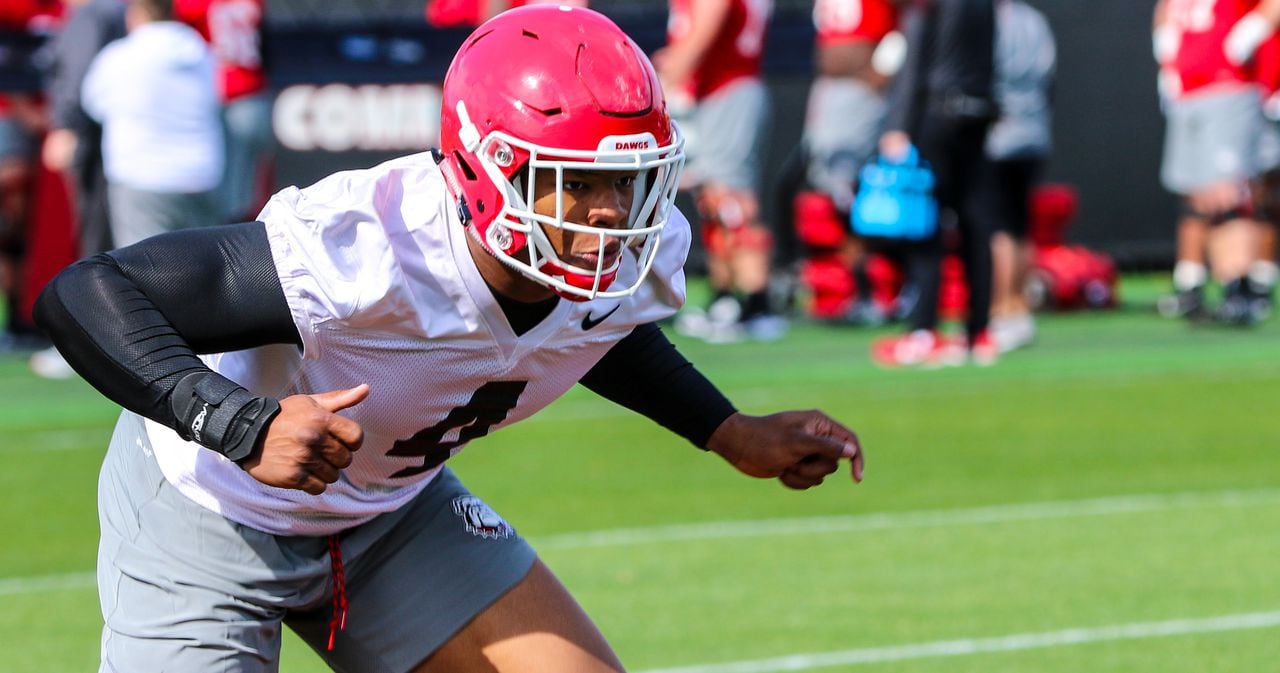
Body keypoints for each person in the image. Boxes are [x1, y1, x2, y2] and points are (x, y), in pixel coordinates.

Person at [33, 7, 864, 672]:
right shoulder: (370, 248)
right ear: (486, 168)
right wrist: (238, 422)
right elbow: (87, 292)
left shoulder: (620, 258)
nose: (612, 212)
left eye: (626, 179)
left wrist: (729, 431)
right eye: (575, 184)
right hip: (213, 507)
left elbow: (602, 329)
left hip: (387, 515)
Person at [869, 0, 998, 367]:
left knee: (926, 226)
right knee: (975, 221)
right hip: (976, 112)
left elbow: (916, 63)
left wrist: (898, 125)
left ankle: (924, 331)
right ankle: (979, 332)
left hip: (936, 115)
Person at [658, 0, 789, 343]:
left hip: (727, 88)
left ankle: (758, 304)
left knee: (733, 203)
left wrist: (662, 84)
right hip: (719, 89)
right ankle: (727, 299)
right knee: (715, 201)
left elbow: (703, 30)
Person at [773, 0, 903, 326]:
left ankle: (877, 290)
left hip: (860, 94)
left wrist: (890, 66)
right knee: (818, 189)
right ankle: (839, 284)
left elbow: (915, 15)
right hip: (831, 91)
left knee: (855, 194)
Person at [1153, 0, 1268, 326]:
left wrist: (1250, 30)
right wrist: (1164, 48)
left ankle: (1240, 288)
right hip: (1188, 90)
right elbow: (1164, 10)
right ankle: (1204, 285)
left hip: (1227, 85)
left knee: (1227, 193)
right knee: (1197, 195)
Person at [27, 0, 124, 378]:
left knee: (98, 246)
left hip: (98, 141)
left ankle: (91, 347)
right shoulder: (113, 10)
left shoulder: (93, 12)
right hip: (124, 144)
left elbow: (80, 73)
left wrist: (65, 124)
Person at [81, 0, 223, 248]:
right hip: (200, 175)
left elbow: (93, 104)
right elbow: (216, 97)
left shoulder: (120, 56)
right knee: (201, 272)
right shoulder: (201, 51)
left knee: (143, 274)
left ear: (135, 14)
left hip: (142, 178)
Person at [981, 0, 1055, 352]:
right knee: (1019, 225)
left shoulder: (988, 19)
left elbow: (984, 74)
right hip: (1033, 130)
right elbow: (1048, 75)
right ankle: (1020, 307)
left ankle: (1002, 308)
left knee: (998, 227)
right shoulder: (1034, 20)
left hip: (999, 134)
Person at [174, 0, 275, 223]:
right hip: (255, 95)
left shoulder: (194, 5)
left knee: (220, 202)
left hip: (226, 98)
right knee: (247, 194)